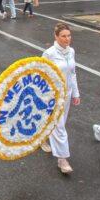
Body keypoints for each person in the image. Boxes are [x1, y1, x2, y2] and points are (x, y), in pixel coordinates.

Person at [41, 23, 81, 174]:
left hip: (68, 93)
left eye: (69, 36)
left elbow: (72, 73)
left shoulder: (71, 51)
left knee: (59, 122)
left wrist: (76, 93)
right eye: (63, 36)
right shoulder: (49, 54)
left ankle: (43, 137)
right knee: (59, 126)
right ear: (56, 36)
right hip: (54, 96)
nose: (67, 39)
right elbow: (42, 75)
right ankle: (62, 159)